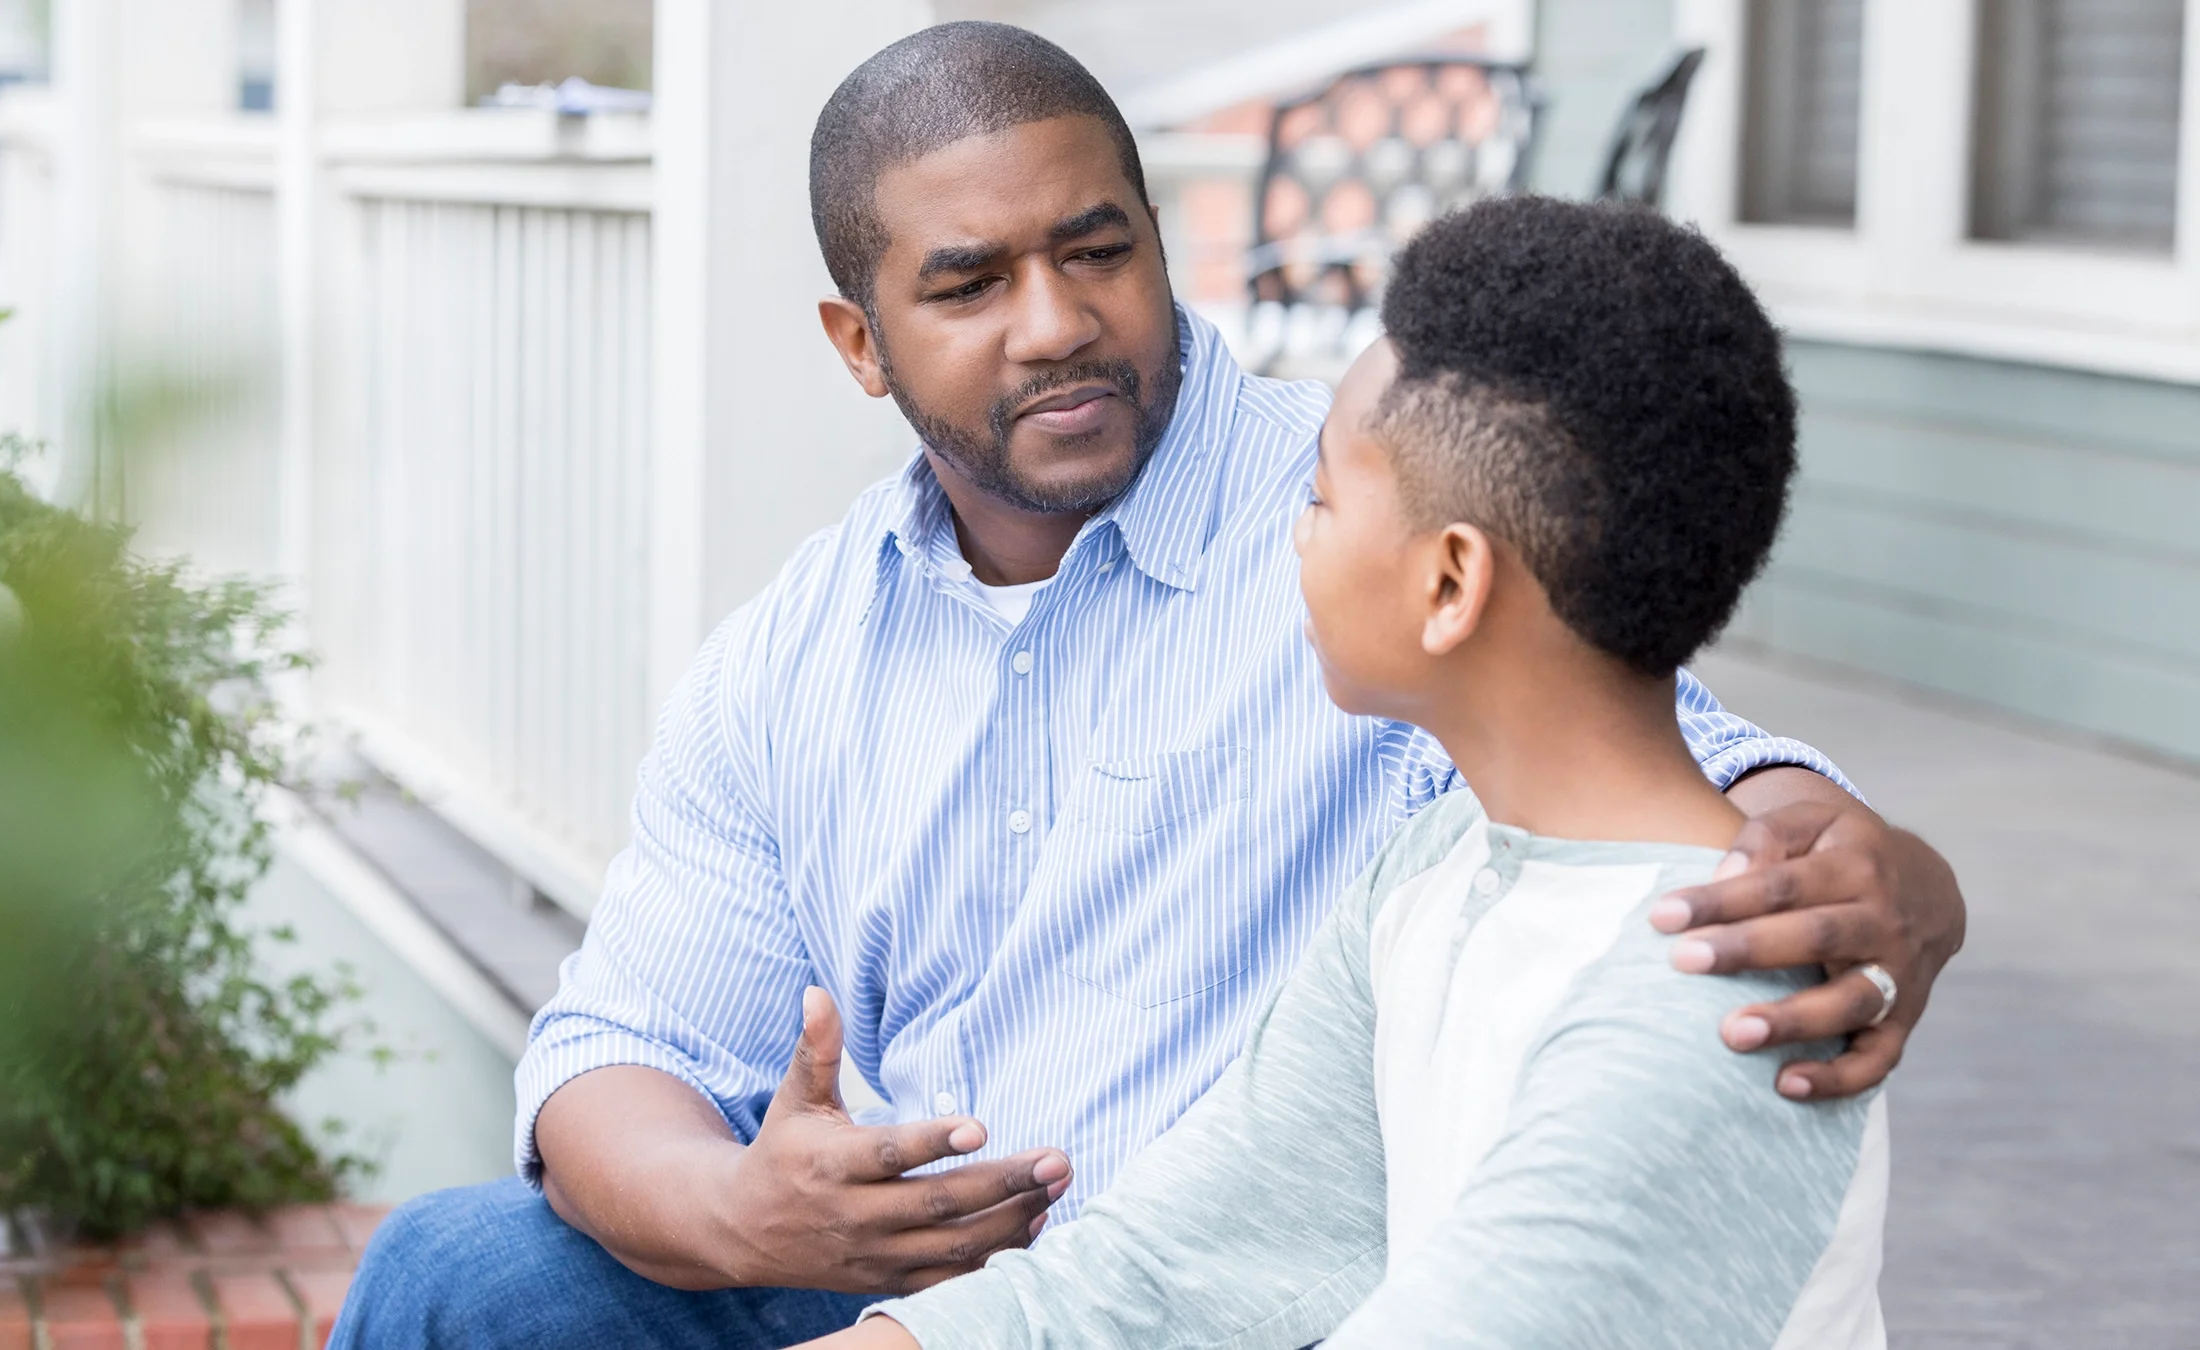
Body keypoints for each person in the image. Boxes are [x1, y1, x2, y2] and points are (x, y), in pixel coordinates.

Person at [330, 23, 1963, 1349]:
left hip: (1253, 1295)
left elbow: (1638, 744)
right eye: (970, 283)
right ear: (859, 338)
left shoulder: (1374, 519)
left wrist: (1854, 864)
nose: (1057, 324)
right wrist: (746, 1211)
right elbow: (623, 1035)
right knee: (465, 1278)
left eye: (1097, 250)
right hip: (971, 1281)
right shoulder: (794, 653)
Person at [802, 195, 1888, 1350]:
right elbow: (1164, 1265)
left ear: (1448, 584)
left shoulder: (1709, 995)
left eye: (1318, 496)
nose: (1294, 538)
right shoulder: (1435, 869)